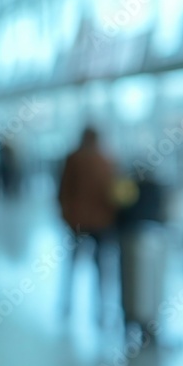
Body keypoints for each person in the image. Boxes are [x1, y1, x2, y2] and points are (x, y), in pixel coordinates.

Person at [57, 125, 118, 325]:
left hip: (77, 222)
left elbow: (63, 190)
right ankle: (101, 309)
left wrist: (66, 215)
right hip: (101, 223)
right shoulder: (106, 161)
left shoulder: (74, 159)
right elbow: (112, 194)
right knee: (101, 268)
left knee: (72, 265)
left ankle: (67, 304)